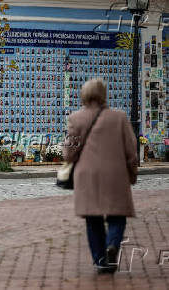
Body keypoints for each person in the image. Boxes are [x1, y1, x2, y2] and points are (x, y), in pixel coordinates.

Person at [63, 79, 138, 274]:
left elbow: (68, 153)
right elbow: (131, 151)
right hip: (116, 174)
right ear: (104, 94)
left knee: (93, 218)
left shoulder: (76, 118)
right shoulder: (119, 117)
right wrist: (132, 175)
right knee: (117, 215)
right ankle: (112, 244)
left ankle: (100, 260)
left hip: (87, 177)